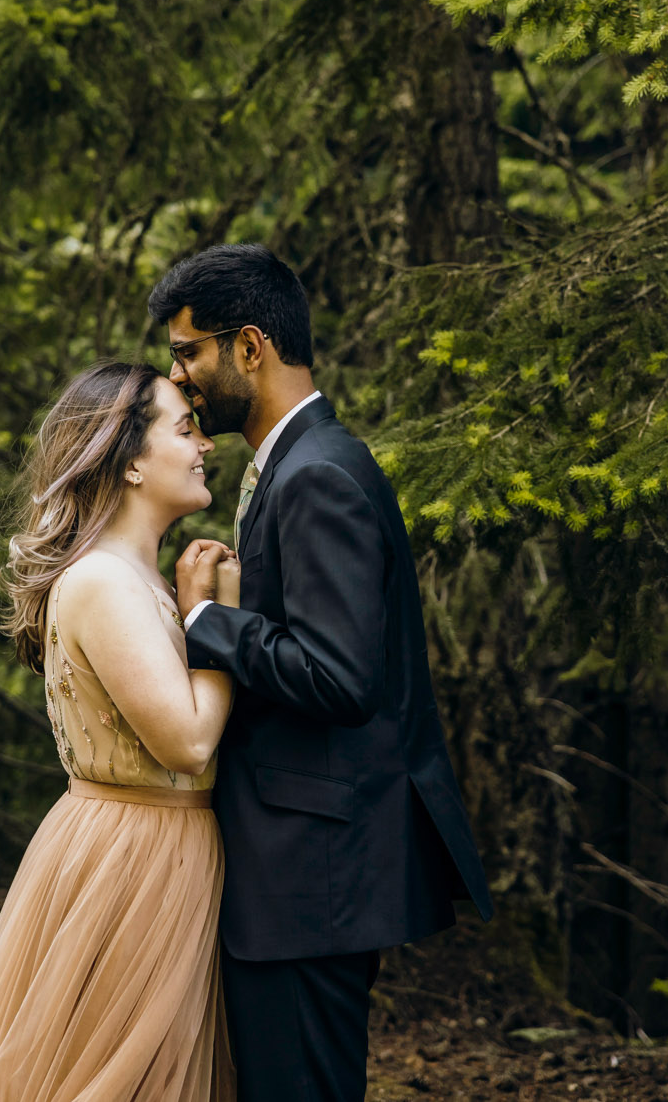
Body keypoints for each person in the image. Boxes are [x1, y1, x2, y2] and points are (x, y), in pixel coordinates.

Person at [152, 244, 493, 1102]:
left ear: (251, 346)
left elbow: (341, 677)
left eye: (189, 350)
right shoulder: (300, 464)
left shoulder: (317, 476)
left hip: (312, 878)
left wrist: (207, 623)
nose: (179, 375)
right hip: (302, 869)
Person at [0, 360, 242, 1102]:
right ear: (130, 460)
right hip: (135, 860)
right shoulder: (103, 580)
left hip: (156, 847)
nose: (206, 445)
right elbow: (190, 742)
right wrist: (218, 620)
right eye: (184, 427)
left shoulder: (134, 577)